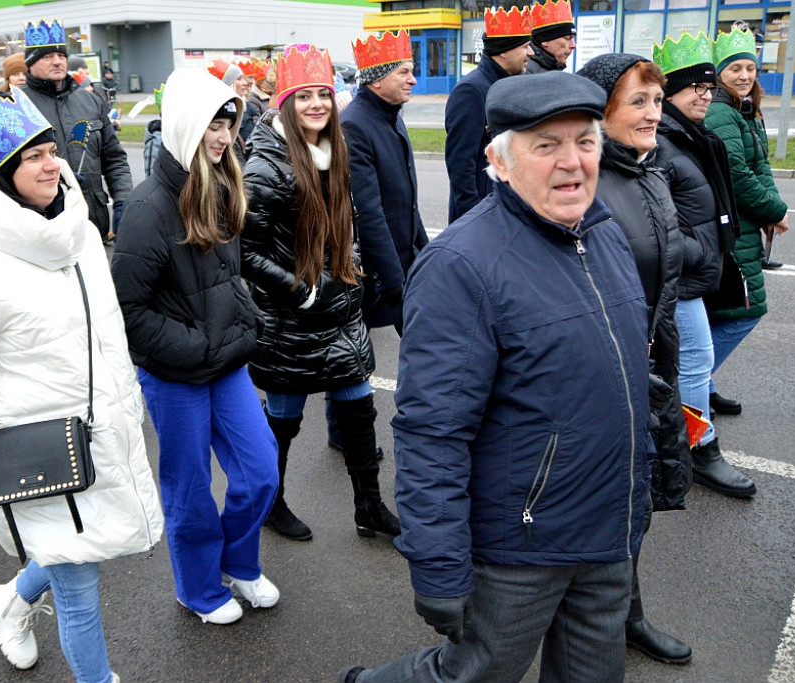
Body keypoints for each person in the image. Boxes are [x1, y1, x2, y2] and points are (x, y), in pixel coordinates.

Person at [342, 71, 650, 683]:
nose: (572, 164)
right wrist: (438, 565)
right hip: (521, 544)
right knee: (471, 676)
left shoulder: (605, 233)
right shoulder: (462, 265)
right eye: (545, 146)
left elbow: (619, 364)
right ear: (499, 162)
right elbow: (432, 432)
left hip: (608, 529)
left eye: (585, 142)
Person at [0, 88, 163, 680]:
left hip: (96, 436)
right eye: (34, 157)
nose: (54, 165)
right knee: (80, 584)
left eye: (52, 150)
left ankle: (11, 600)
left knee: (75, 549)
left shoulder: (74, 232)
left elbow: (104, 338)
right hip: (34, 457)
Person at [111, 68, 279, 626]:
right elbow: (127, 312)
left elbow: (229, 279)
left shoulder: (221, 185)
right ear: (186, 125)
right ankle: (199, 589)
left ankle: (238, 565)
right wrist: (192, 346)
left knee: (260, 472)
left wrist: (245, 324)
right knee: (190, 491)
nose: (222, 135)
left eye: (228, 123)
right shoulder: (146, 209)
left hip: (224, 365)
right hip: (174, 375)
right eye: (211, 124)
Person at [241, 43, 400, 543]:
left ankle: (369, 507)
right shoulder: (264, 167)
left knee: (359, 409)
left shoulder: (337, 154)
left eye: (324, 95)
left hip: (341, 312)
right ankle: (272, 502)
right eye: (305, 95)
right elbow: (244, 253)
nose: (317, 105)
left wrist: (352, 270)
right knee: (283, 421)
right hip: (291, 320)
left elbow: (344, 230)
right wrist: (302, 292)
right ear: (286, 102)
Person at [578, 52, 692, 666]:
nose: (654, 113)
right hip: (608, 371)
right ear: (602, 112)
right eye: (639, 102)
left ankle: (623, 615)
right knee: (609, 499)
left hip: (651, 356)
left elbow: (662, 260)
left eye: (657, 98)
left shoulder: (648, 169)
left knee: (636, 496)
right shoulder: (591, 178)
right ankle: (593, 621)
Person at [653, 31, 755, 499]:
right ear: (670, 91)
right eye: (696, 86)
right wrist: (697, 251)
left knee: (684, 362)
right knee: (695, 361)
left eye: (709, 87)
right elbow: (654, 222)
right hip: (681, 275)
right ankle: (701, 449)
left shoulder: (693, 135)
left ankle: (674, 438)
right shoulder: (663, 142)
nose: (706, 94)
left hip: (696, 269)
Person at [704, 28, 789, 436]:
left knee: (720, 311)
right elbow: (735, 173)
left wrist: (774, 206)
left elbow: (761, 166)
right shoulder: (721, 112)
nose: (744, 74)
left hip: (748, 223)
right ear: (720, 73)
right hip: (733, 225)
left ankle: (703, 384)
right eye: (735, 67)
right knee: (743, 311)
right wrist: (773, 209)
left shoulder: (745, 107)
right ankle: (694, 381)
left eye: (751, 67)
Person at [342, 29, 428, 334]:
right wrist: (392, 280)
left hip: (409, 260)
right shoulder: (355, 124)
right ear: (377, 79)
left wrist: (425, 250)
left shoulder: (391, 114)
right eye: (404, 72)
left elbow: (408, 200)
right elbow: (368, 212)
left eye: (412, 72)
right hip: (386, 270)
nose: (413, 80)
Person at [20, 18, 132, 243]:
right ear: (30, 62)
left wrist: (123, 201)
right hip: (45, 227)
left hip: (94, 223)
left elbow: (114, 158)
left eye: (61, 56)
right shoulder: (18, 104)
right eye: (47, 56)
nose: (57, 62)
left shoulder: (90, 101)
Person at [445, 6, 533, 223]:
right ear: (503, 50)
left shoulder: (511, 86)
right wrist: (474, 220)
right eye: (525, 46)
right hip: (482, 218)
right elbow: (460, 167)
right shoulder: (471, 91)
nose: (531, 53)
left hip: (509, 212)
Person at [526, 0, 576, 74]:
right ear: (545, 40)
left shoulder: (550, 69)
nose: (573, 45)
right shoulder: (528, 73)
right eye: (567, 38)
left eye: (573, 38)